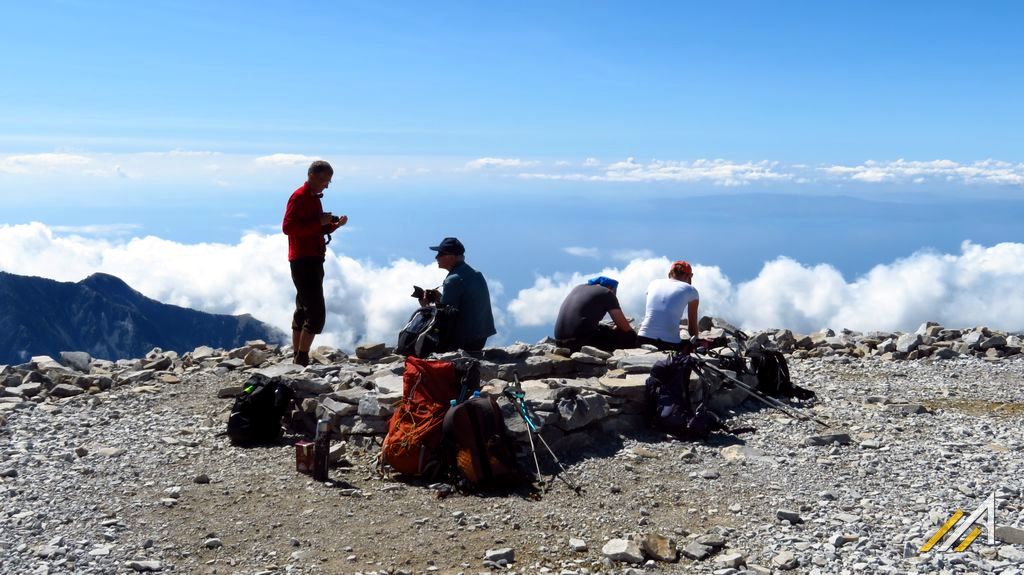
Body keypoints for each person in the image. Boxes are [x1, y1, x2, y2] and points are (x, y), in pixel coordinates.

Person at [282, 160, 346, 366]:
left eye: (328, 181)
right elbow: (288, 227)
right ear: (311, 176)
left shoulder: (312, 198)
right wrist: (319, 222)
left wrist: (333, 225)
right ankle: (301, 357)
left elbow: (313, 230)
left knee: (303, 307)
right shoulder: (299, 197)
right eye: (322, 180)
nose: (325, 185)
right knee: (316, 312)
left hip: (310, 257)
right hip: (304, 259)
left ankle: (297, 355)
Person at [421, 237, 496, 352]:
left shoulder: (452, 280)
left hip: (464, 341)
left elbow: (444, 319)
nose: (436, 257)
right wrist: (440, 299)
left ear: (451, 257)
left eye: (440, 254)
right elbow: (461, 306)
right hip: (480, 338)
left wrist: (426, 308)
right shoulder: (476, 274)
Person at [553, 276, 636, 352]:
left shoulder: (578, 288)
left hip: (559, 342)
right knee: (630, 336)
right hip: (579, 342)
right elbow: (625, 328)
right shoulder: (607, 293)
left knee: (603, 328)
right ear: (611, 287)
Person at [637, 261, 700, 352]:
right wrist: (695, 341)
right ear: (688, 276)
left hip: (643, 337)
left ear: (669, 273)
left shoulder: (653, 283)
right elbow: (692, 327)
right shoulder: (691, 290)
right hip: (669, 343)